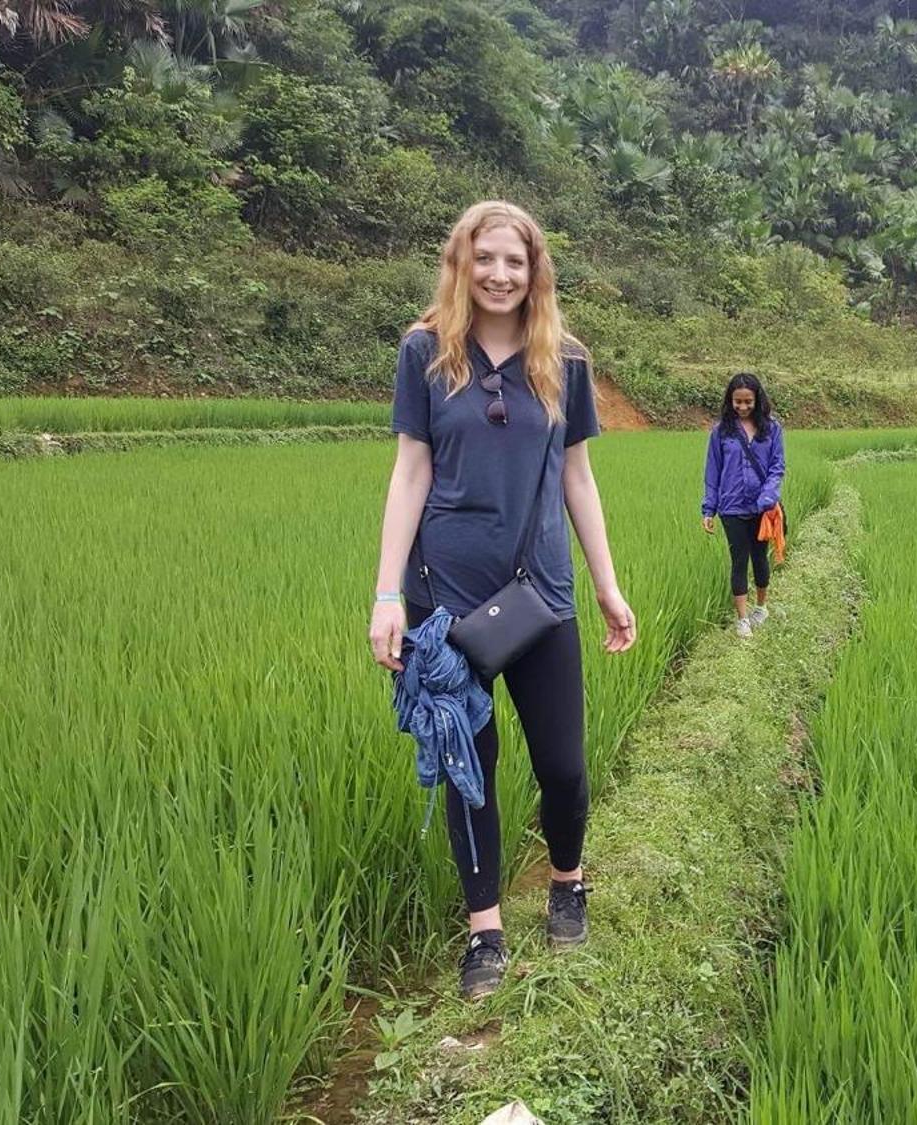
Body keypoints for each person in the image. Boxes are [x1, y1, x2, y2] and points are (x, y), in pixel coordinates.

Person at [368, 200, 637, 1002]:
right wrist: (388, 593)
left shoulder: (566, 360)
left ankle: (567, 881)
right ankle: (484, 930)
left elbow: (577, 478)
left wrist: (607, 582)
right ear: (461, 262)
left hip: (540, 597)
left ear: (535, 270)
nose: (499, 274)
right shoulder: (425, 353)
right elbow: (409, 474)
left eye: (514, 261)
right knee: (468, 770)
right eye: (485, 258)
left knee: (562, 764)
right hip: (444, 605)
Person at [701, 373, 786, 638]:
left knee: (760, 558)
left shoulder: (772, 429)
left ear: (757, 399)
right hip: (731, 507)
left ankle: (761, 607)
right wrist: (708, 509)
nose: (742, 407)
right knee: (738, 560)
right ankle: (742, 619)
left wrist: (767, 498)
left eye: (748, 401)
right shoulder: (721, 431)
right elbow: (713, 471)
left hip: (763, 508)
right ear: (730, 401)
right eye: (737, 402)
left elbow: (777, 467)